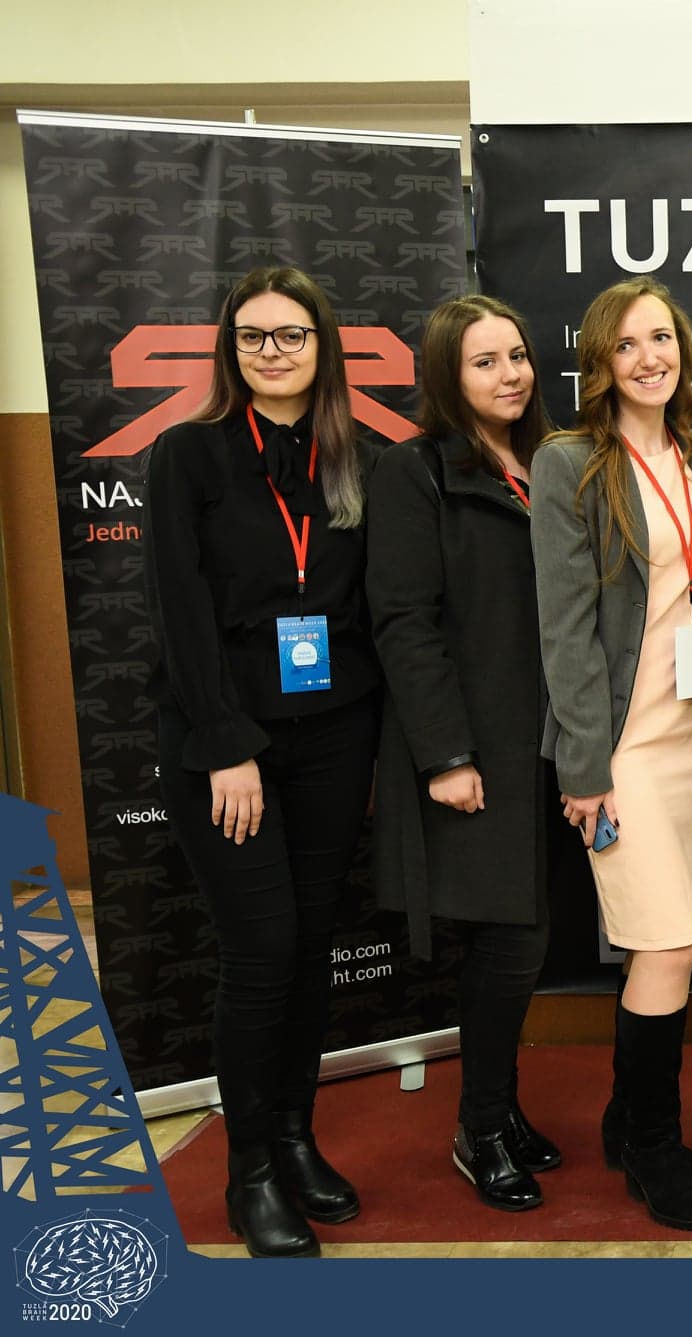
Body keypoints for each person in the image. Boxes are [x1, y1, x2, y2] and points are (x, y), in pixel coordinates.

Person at [142, 266, 379, 1258]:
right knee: (262, 949)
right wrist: (227, 744)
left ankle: (293, 1137)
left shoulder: (354, 458)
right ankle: (249, 1173)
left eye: (290, 335)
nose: (272, 352)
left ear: (323, 347)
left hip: (335, 733)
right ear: (229, 349)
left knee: (312, 941)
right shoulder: (187, 453)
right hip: (226, 741)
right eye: (252, 336)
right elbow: (180, 612)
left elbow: (370, 610)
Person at [531, 276, 692, 1233]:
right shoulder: (570, 462)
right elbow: (565, 630)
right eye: (627, 344)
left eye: (662, 339)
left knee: (675, 943)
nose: (649, 357)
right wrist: (584, 766)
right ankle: (652, 1147)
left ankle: (627, 1120)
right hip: (623, 748)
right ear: (600, 362)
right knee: (667, 943)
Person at [370, 294, 576, 1213]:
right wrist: (446, 754)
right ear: (448, 376)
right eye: (484, 361)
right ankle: (479, 1128)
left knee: (530, 939)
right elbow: (403, 622)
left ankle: (503, 1108)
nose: (510, 375)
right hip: (477, 748)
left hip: (555, 743)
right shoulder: (415, 471)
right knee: (507, 941)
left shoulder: (555, 461)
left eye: (518, 355)